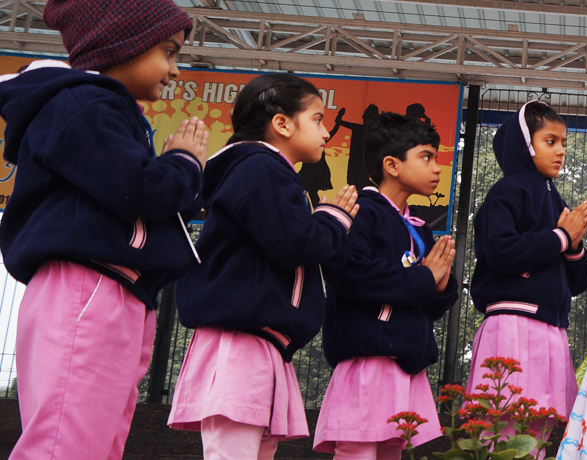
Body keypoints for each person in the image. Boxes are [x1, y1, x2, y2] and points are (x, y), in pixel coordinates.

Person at [0, 1, 206, 457]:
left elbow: (149, 199)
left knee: (96, 443)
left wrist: (180, 170)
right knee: (64, 444)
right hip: (87, 286)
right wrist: (185, 159)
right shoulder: (80, 103)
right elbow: (143, 191)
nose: (174, 70)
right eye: (168, 52)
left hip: (116, 290)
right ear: (121, 44)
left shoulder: (103, 109)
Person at [168, 73, 359, 460]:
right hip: (239, 344)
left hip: (258, 343)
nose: (327, 133)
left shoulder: (264, 172)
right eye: (318, 119)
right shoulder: (260, 169)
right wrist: (333, 219)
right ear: (282, 124)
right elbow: (294, 242)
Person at [314, 112, 459, 459]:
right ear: (392, 165)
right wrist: (425, 277)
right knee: (357, 449)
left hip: (404, 362)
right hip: (367, 359)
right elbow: (353, 275)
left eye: (436, 158)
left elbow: (429, 299)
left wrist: (440, 286)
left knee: (391, 451)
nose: (437, 168)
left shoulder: (420, 228)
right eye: (426, 157)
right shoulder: (362, 212)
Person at [468, 100, 587, 435]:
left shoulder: (557, 200)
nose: (560, 151)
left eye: (563, 143)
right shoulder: (507, 191)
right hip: (511, 322)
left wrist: (574, 244)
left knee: (540, 430)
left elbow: (578, 282)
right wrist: (561, 237)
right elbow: (500, 251)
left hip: (551, 327)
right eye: (550, 141)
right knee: (502, 429)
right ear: (525, 145)